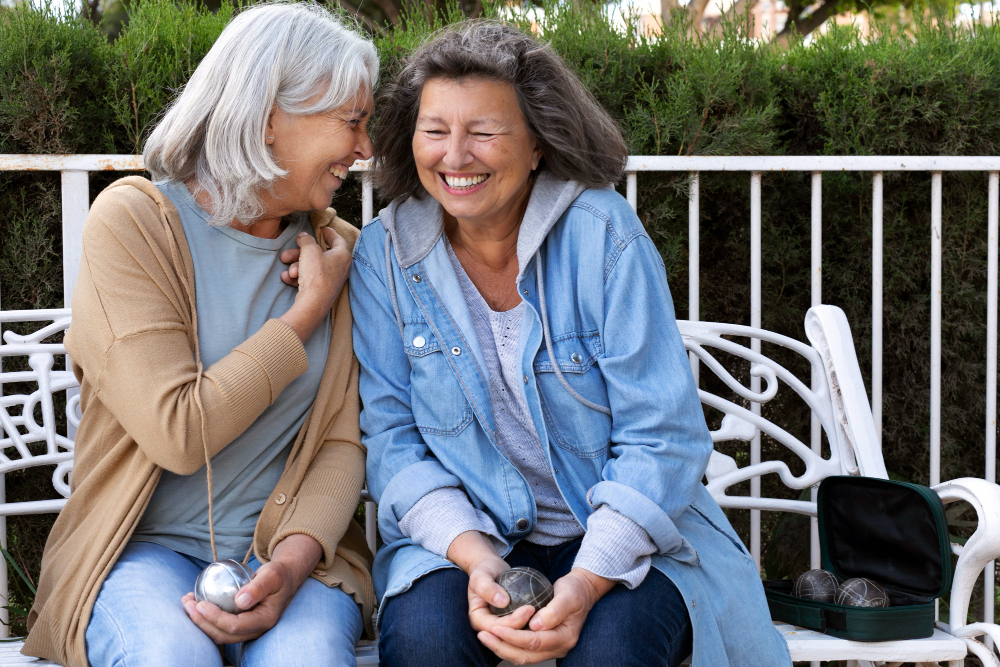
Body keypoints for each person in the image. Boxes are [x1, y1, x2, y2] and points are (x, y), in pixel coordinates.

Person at [350, 20, 791, 667]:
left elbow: (662, 438)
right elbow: (392, 440)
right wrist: (478, 561)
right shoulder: (384, 254)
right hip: (466, 535)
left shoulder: (604, 236)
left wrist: (585, 582)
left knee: (611, 650)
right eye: (435, 129)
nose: (455, 155)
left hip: (622, 534)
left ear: (537, 144)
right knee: (425, 642)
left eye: (484, 132)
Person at [23, 4, 378, 666]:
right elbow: (178, 432)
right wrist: (303, 315)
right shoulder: (135, 225)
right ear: (270, 118)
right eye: (351, 121)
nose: (365, 149)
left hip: (289, 554)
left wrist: (291, 568)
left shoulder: (336, 250)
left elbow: (341, 441)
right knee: (168, 656)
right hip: (139, 550)